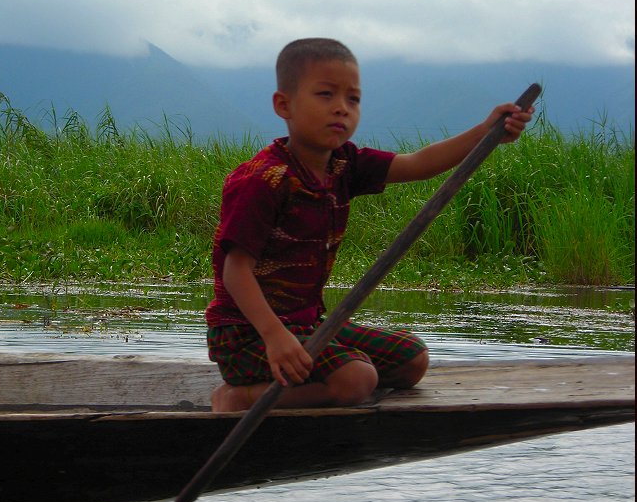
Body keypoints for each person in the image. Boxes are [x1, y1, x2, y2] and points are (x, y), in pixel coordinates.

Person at [207, 38, 534, 412]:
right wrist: (275, 337)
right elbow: (236, 272)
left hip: (307, 325)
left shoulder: (344, 164)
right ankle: (238, 398)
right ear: (285, 105)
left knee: (412, 360)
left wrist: (486, 132)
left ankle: (323, 385)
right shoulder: (263, 180)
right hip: (246, 334)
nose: (341, 109)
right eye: (326, 95)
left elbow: (417, 163)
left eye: (353, 99)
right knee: (357, 379)